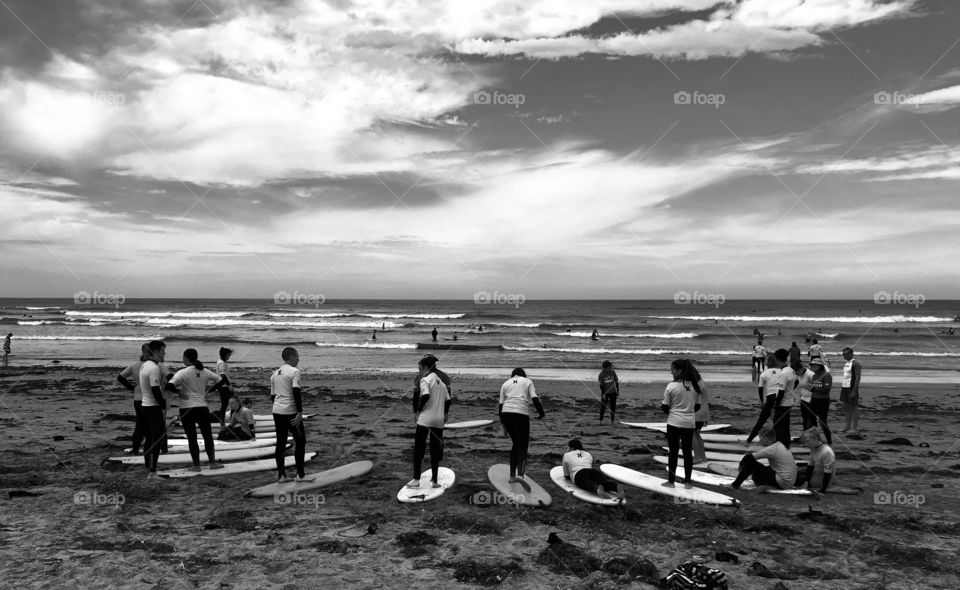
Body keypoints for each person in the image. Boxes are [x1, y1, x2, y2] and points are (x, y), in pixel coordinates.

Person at [166, 348, 227, 472]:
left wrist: (179, 392)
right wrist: (209, 391)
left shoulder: (182, 373)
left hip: (186, 408)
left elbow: (168, 386)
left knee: (192, 437)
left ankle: (196, 465)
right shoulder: (204, 371)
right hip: (202, 408)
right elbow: (222, 381)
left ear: (186, 358)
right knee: (207, 436)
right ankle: (212, 463)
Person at [407, 355, 452, 488]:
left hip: (426, 419)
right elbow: (449, 401)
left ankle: (416, 480)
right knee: (435, 450)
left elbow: (425, 395)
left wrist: (418, 411)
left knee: (419, 448)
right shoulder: (441, 383)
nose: (419, 371)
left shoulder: (425, 380)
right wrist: (444, 414)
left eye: (420, 368)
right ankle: (435, 481)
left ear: (426, 368)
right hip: (438, 420)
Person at [499, 368, 545, 487]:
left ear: (512, 375)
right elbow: (534, 398)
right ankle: (520, 475)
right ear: (523, 375)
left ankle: (512, 477)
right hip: (520, 414)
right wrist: (541, 413)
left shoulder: (505, 383)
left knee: (515, 444)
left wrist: (504, 425)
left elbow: (500, 405)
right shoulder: (527, 381)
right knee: (523, 445)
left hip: (506, 414)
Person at [660, 359, 702, 488]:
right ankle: (688, 482)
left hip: (673, 422)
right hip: (689, 423)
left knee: (673, 452)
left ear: (679, 371)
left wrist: (675, 412)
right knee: (687, 452)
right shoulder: (696, 386)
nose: (671, 372)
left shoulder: (671, 386)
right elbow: (697, 407)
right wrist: (687, 412)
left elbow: (665, 407)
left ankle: (671, 482)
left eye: (672, 370)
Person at [271, 347, 307, 481]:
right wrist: (299, 412)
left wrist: (280, 407)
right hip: (291, 412)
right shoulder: (295, 371)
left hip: (277, 411)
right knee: (300, 441)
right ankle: (300, 475)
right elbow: (296, 392)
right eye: (297, 356)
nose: (299, 359)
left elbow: (273, 397)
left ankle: (281, 476)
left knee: (281, 442)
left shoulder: (274, 374)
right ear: (291, 357)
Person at [747, 349, 794, 447]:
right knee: (782, 423)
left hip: (770, 399)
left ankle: (749, 441)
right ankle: (784, 443)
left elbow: (760, 389)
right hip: (781, 399)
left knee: (761, 421)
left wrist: (761, 400)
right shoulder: (783, 371)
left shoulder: (764, 373)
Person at [138, 340, 169, 478]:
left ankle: (148, 468)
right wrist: (163, 406)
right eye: (163, 351)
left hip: (145, 406)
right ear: (156, 352)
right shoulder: (154, 368)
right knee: (157, 440)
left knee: (149, 439)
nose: (164, 354)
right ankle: (152, 472)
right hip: (153, 408)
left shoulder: (144, 365)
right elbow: (155, 390)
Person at [731, 428, 797, 491]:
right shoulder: (780, 445)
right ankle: (762, 486)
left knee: (750, 464)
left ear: (765, 438)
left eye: (761, 438)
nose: (760, 441)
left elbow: (748, 458)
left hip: (783, 482)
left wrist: (741, 468)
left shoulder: (772, 448)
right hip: (790, 481)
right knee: (757, 470)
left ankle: (734, 486)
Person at [561, 439, 625, 501]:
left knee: (587, 483)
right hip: (593, 471)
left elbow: (566, 475)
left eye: (568, 447)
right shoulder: (588, 454)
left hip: (579, 473)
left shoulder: (566, 455)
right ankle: (616, 487)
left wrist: (570, 477)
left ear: (572, 448)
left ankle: (597, 488)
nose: (567, 449)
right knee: (604, 482)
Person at [117, 345, 148, 455]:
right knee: (150, 424)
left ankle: (135, 449)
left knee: (139, 424)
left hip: (138, 397)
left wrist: (131, 387)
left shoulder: (134, 365)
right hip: (150, 398)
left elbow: (120, 377)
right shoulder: (154, 366)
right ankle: (151, 447)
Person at [795, 427, 836, 493]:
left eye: (807, 441)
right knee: (796, 472)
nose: (806, 444)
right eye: (804, 442)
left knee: (793, 478)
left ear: (816, 439)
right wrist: (806, 481)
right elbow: (810, 467)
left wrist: (823, 490)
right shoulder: (814, 449)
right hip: (815, 474)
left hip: (819, 480)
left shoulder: (827, 452)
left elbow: (828, 473)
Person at [806, 358, 833, 444]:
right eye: (812, 365)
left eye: (815, 365)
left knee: (823, 421)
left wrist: (815, 387)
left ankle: (829, 441)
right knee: (811, 420)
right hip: (814, 399)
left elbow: (826, 389)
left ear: (820, 366)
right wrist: (810, 388)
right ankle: (815, 439)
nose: (813, 367)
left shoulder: (826, 375)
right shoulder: (814, 376)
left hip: (823, 401)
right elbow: (814, 388)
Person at [840, 347, 862, 434]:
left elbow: (858, 377)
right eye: (843, 354)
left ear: (851, 354)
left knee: (853, 407)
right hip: (845, 386)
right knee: (846, 406)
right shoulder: (846, 363)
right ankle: (847, 426)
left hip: (852, 387)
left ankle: (854, 428)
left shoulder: (856, 363)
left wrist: (854, 390)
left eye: (845, 354)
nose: (844, 356)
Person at [215, 347, 234, 426]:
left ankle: (225, 421)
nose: (229, 357)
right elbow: (223, 375)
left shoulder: (221, 362)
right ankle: (223, 422)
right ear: (225, 355)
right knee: (229, 404)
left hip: (223, 386)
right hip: (224, 387)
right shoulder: (222, 363)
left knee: (228, 404)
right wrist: (229, 385)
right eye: (229, 355)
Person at [597, 360, 620, 424]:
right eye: (609, 367)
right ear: (605, 368)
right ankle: (600, 421)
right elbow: (601, 385)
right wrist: (603, 394)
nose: (610, 368)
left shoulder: (613, 372)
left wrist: (618, 390)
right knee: (603, 407)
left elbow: (616, 382)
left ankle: (612, 421)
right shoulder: (601, 375)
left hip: (613, 392)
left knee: (613, 407)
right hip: (605, 393)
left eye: (611, 367)